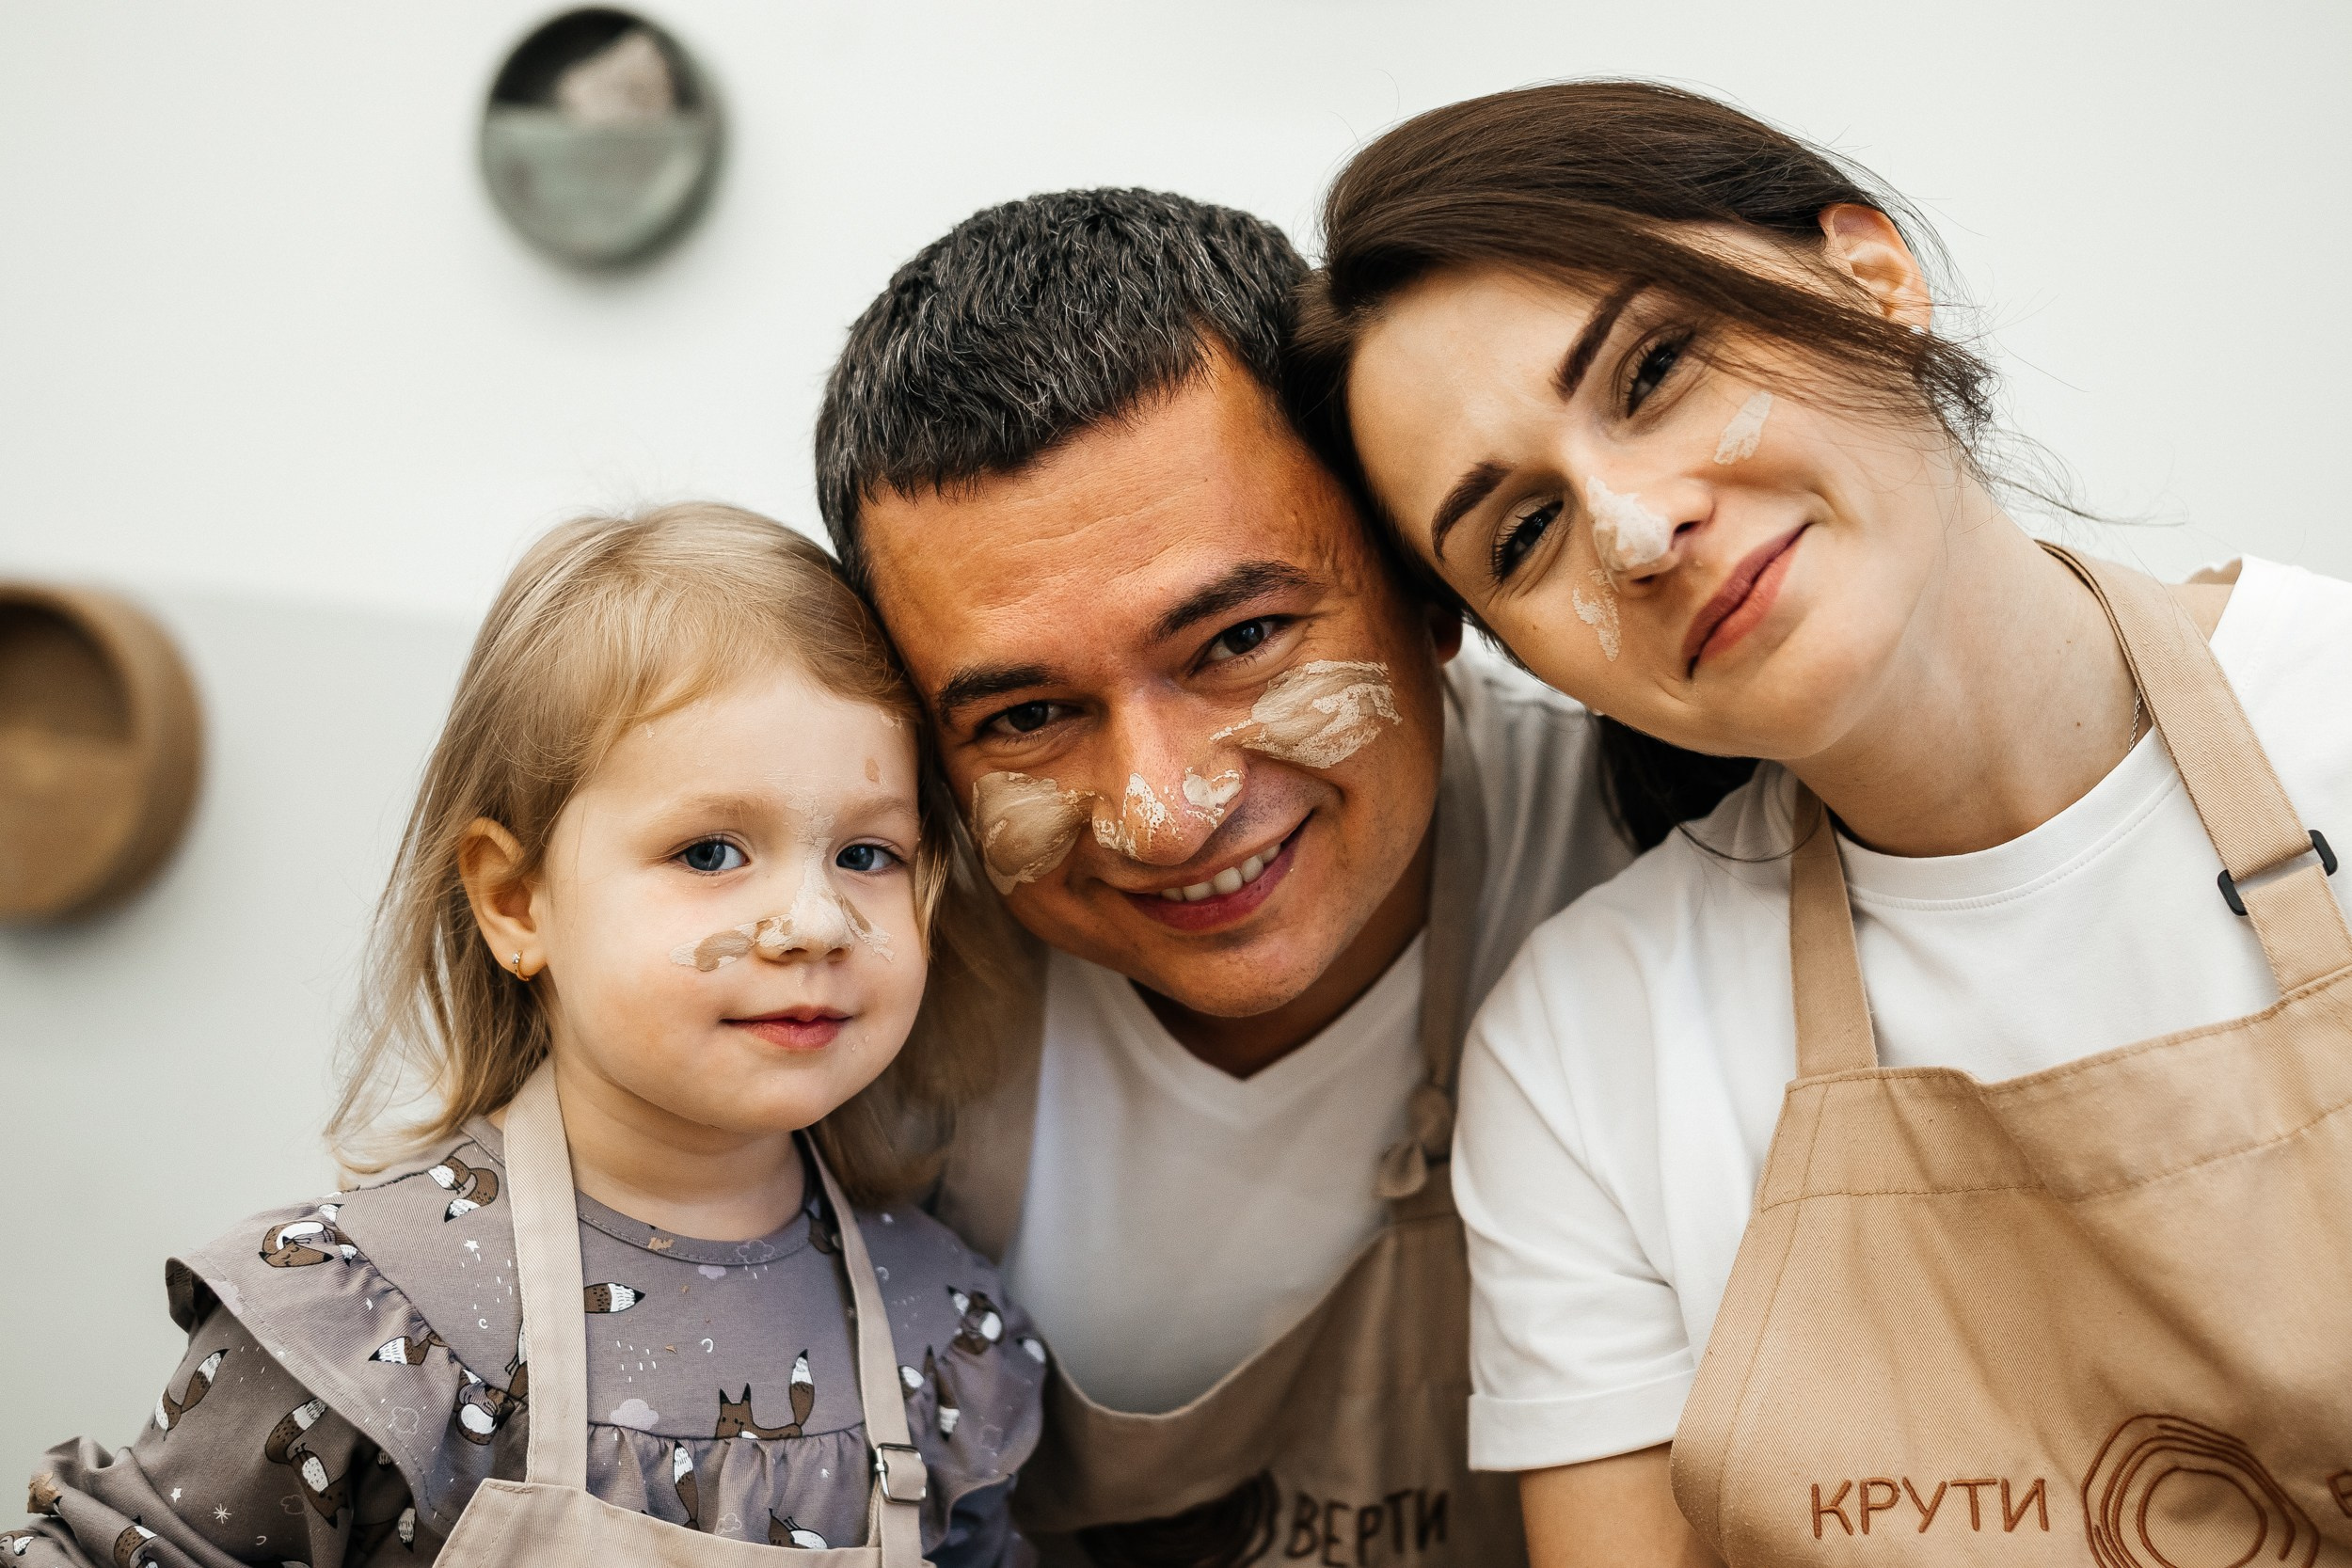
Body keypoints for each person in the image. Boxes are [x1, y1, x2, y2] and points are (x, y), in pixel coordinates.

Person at [1288, 80, 2352, 1566]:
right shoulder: (1584, 1050)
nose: (1637, 531)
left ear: (1874, 277)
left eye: (1656, 369)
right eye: (1522, 535)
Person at [814, 190, 1655, 1562]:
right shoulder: (854, 1008)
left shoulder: (1654, 857)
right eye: (1026, 717)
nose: (1164, 809)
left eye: (1241, 637)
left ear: (1425, 576)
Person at [11, 505, 1045, 1566]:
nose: (815, 923)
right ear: (516, 901)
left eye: (867, 854)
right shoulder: (369, 1321)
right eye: (710, 851)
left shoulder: (949, 1328)